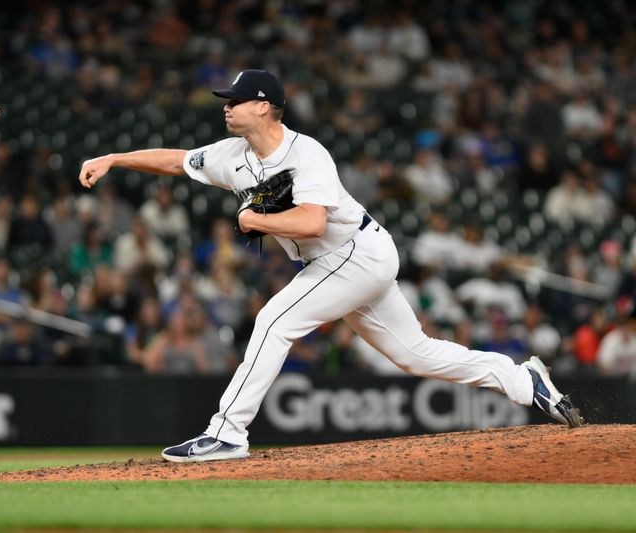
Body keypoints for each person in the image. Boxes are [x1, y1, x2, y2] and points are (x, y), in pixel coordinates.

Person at [78, 69, 583, 463]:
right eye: (225, 102)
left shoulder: (306, 153)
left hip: (353, 253)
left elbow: (314, 222)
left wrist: (255, 218)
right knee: (417, 355)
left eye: (235, 101)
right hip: (344, 261)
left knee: (274, 321)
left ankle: (226, 434)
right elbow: (177, 160)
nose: (226, 108)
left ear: (264, 106)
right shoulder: (233, 154)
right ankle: (521, 379)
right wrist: (116, 159)